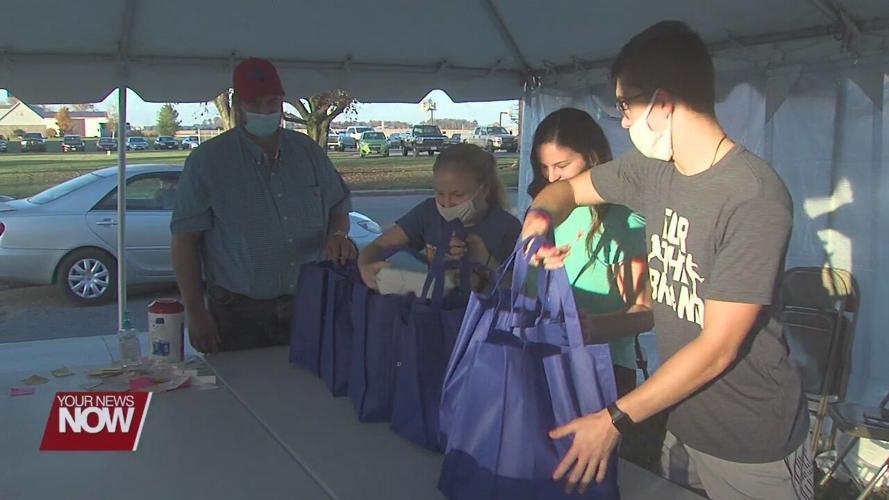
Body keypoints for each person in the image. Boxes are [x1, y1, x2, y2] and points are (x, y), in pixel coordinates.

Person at [523, 22, 812, 499]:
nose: (622, 122)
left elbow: (718, 346)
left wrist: (614, 418)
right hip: (682, 419)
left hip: (752, 441)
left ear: (660, 103)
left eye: (623, 106)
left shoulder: (753, 197)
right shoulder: (654, 171)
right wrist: (539, 218)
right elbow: (569, 189)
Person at [171, 57, 355, 354]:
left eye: (273, 102)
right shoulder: (208, 162)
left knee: (312, 392)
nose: (266, 110)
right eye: (256, 103)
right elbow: (184, 241)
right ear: (239, 105)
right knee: (240, 394)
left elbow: (339, 206)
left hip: (308, 301)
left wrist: (338, 235)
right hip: (238, 312)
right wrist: (194, 310)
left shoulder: (308, 152)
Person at [529, 107, 652, 399]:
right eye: (544, 168)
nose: (552, 177)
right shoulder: (543, 212)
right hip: (544, 355)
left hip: (603, 367)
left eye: (562, 165)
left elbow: (645, 312)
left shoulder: (621, 219)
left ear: (592, 158)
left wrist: (592, 328)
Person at [358, 143, 520, 293]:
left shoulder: (508, 227)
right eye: (440, 193)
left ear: (483, 189)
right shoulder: (429, 212)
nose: (447, 203)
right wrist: (365, 267)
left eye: (458, 195)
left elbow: (520, 289)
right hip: (432, 316)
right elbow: (378, 246)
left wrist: (485, 262)